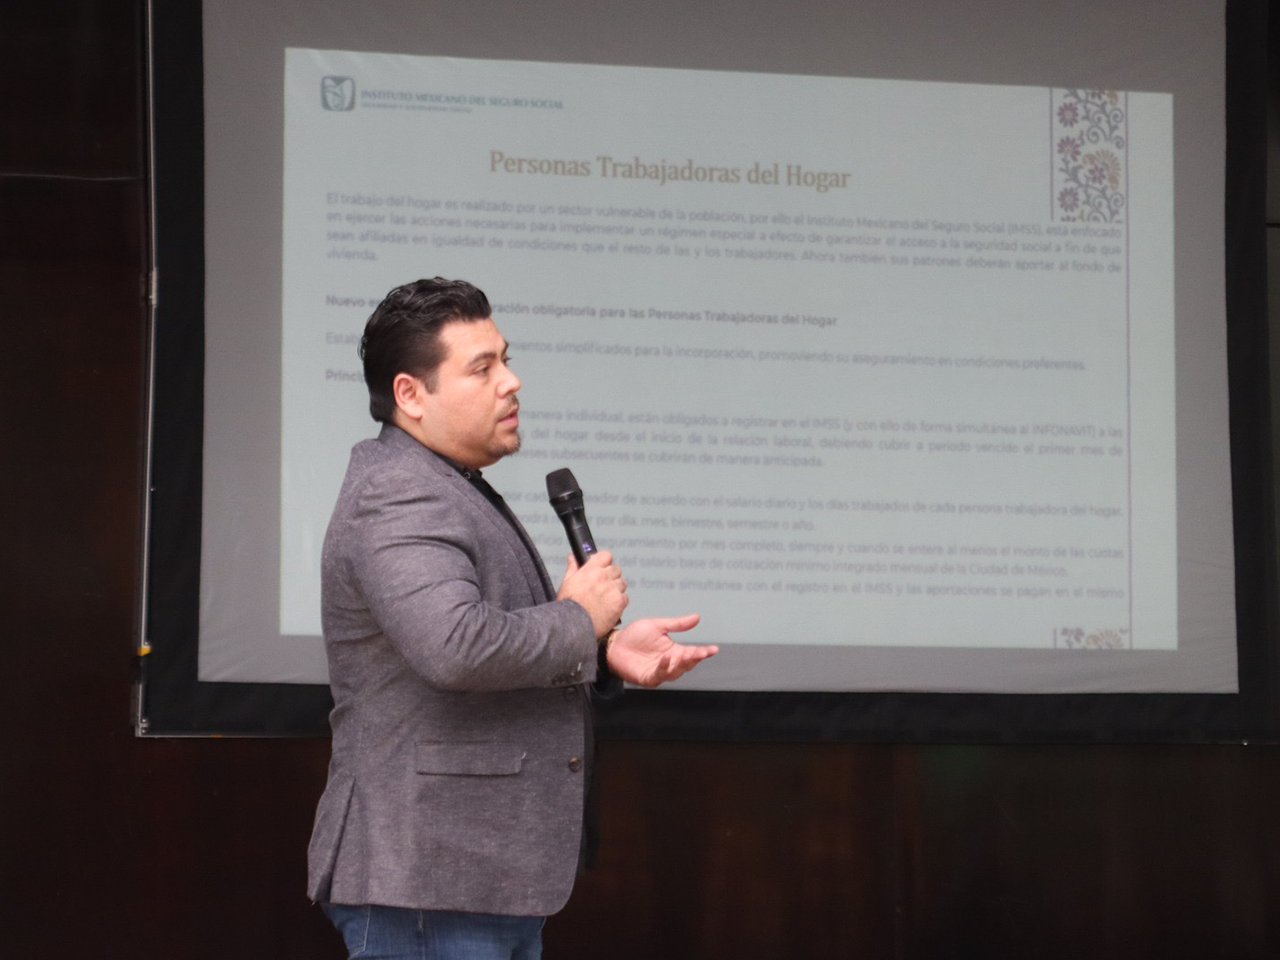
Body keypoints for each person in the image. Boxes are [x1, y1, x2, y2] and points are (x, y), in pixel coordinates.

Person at [307, 277, 718, 959]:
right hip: (428, 880)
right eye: (482, 368)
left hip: (467, 878)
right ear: (411, 394)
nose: (511, 381)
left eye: (506, 359)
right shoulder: (399, 491)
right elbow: (456, 646)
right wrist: (579, 619)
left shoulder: (447, 484)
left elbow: (480, 638)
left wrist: (602, 649)